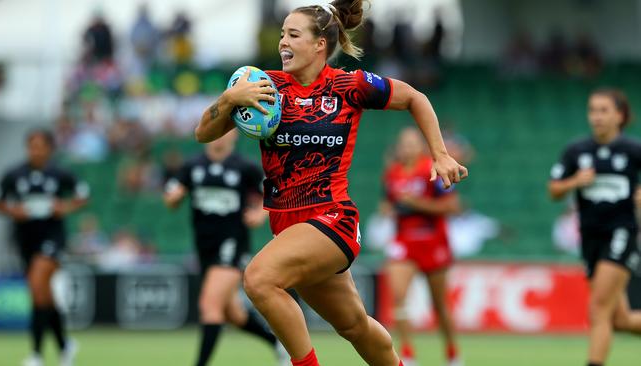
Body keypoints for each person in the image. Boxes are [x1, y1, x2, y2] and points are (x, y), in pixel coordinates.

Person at [194, 1, 468, 365]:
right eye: (281, 35)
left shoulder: (348, 85)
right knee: (355, 326)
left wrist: (440, 153)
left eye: (293, 35)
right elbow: (203, 133)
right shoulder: (265, 88)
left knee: (259, 279)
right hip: (288, 228)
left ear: (319, 44)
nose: (283, 43)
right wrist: (229, 99)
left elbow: (415, 98)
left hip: (332, 220)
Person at [163, 129, 289, 366]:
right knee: (234, 314)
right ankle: (277, 343)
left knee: (210, 306)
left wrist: (260, 214)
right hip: (204, 247)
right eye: (217, 130)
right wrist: (174, 197)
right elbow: (171, 198)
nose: (220, 135)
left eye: (226, 131)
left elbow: (273, 193)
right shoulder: (192, 166)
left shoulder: (244, 167)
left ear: (234, 135)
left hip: (232, 244)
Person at [548, 88, 641, 366]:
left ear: (619, 116)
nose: (596, 117)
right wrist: (574, 182)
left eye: (603, 110)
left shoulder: (633, 150)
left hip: (621, 233)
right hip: (589, 237)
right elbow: (553, 190)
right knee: (618, 319)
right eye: (592, 110)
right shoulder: (577, 151)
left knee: (598, 308)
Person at [0, 129, 89, 366]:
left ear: (49, 148)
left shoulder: (60, 173)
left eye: (40, 146)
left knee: (38, 283)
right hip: (25, 238)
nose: (35, 150)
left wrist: (64, 207)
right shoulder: (14, 174)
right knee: (42, 295)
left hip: (52, 237)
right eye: (31, 146)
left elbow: (83, 195)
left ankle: (36, 355)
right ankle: (64, 346)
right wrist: (13, 210)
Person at [382, 127, 463, 366]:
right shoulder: (392, 173)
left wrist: (415, 203)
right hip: (404, 242)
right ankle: (408, 355)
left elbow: (452, 206)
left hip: (432, 239)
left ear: (421, 146)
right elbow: (387, 204)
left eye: (412, 143)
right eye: (403, 143)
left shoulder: (433, 170)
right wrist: (389, 209)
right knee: (398, 298)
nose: (407, 148)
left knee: (440, 306)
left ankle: (452, 352)